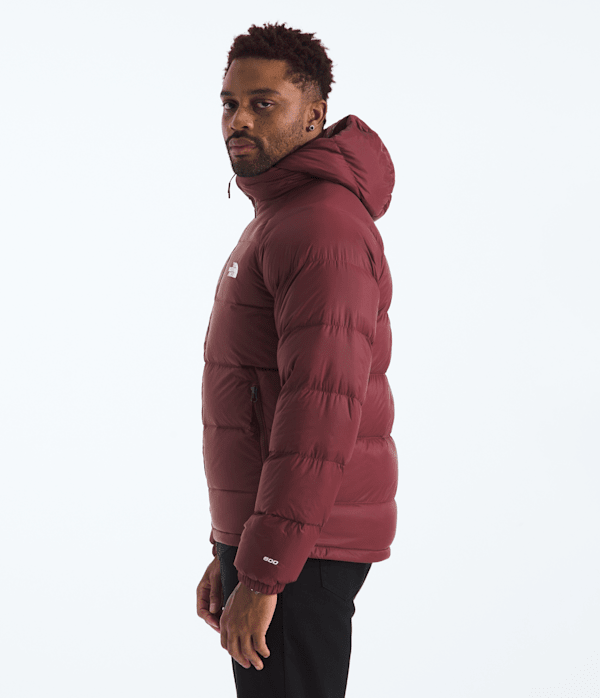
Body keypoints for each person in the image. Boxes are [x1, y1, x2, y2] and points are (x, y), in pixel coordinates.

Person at [196, 21, 398, 698]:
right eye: (230, 103)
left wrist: (263, 570)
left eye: (263, 103)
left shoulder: (321, 226)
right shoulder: (283, 215)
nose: (239, 120)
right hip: (280, 541)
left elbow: (318, 414)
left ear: (314, 114)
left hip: (302, 549)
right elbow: (263, 395)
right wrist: (230, 547)